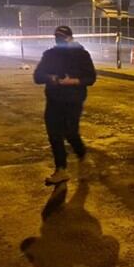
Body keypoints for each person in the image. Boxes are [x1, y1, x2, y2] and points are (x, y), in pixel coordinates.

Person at [34, 25, 97, 184]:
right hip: (54, 99)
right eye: (57, 37)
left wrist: (74, 81)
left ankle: (82, 154)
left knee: (70, 132)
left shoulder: (81, 55)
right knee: (54, 134)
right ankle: (61, 169)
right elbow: (37, 76)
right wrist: (52, 78)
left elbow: (91, 78)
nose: (59, 40)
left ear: (70, 38)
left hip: (73, 99)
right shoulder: (50, 55)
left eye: (62, 37)